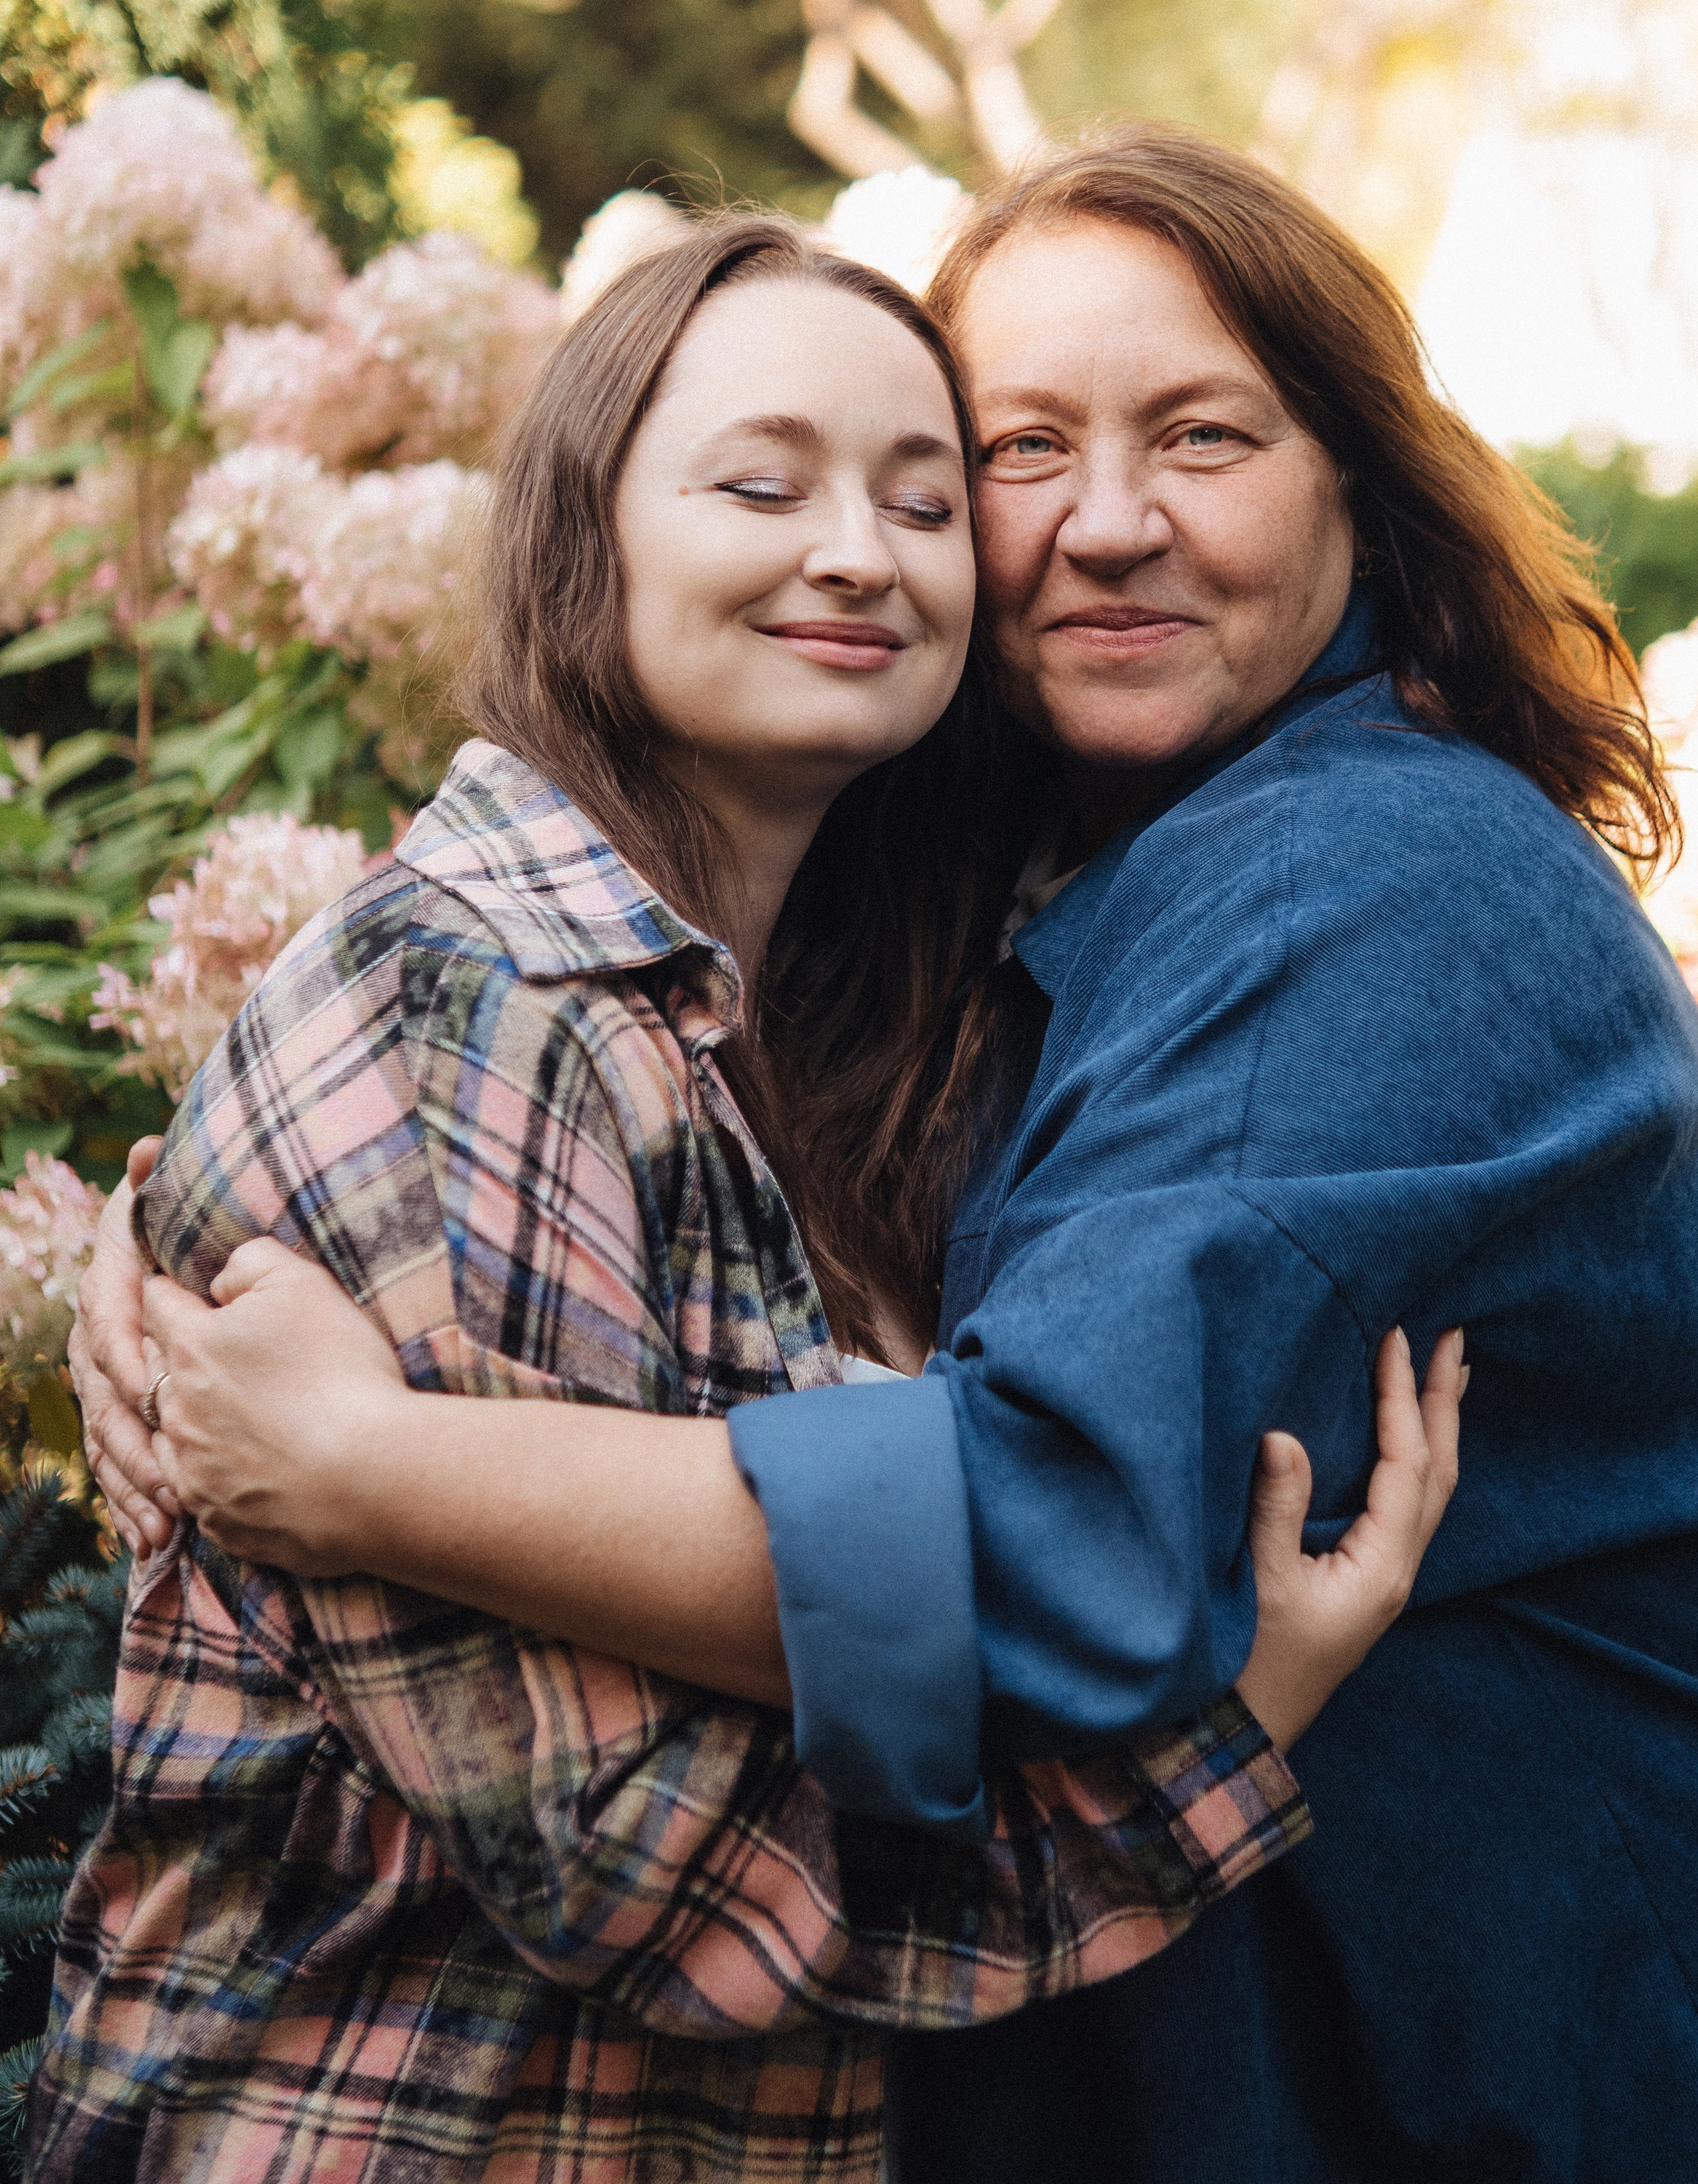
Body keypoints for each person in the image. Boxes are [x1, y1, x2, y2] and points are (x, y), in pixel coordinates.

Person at [36, 209, 1459, 2184]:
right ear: (584, 538)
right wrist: (1223, 1742)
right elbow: (651, 1876)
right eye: (760, 485)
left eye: (927, 494)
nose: (860, 553)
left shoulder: (849, 1031)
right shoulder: (475, 1011)